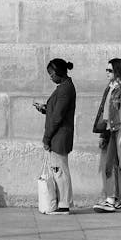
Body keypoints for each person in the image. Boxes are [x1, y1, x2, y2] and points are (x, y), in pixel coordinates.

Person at [92, 57, 121, 213]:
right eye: (106, 70)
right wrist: (103, 135)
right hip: (111, 130)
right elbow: (106, 113)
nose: (107, 73)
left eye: (110, 70)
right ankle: (112, 199)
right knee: (111, 164)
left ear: (118, 71)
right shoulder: (111, 87)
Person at [35, 58, 76, 215]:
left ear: (59, 73)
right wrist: (45, 109)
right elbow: (57, 111)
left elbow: (58, 117)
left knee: (60, 170)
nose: (51, 77)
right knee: (58, 169)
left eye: (51, 74)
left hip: (59, 135)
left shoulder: (65, 89)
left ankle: (64, 204)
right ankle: (62, 202)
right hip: (58, 134)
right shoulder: (64, 87)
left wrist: (46, 138)